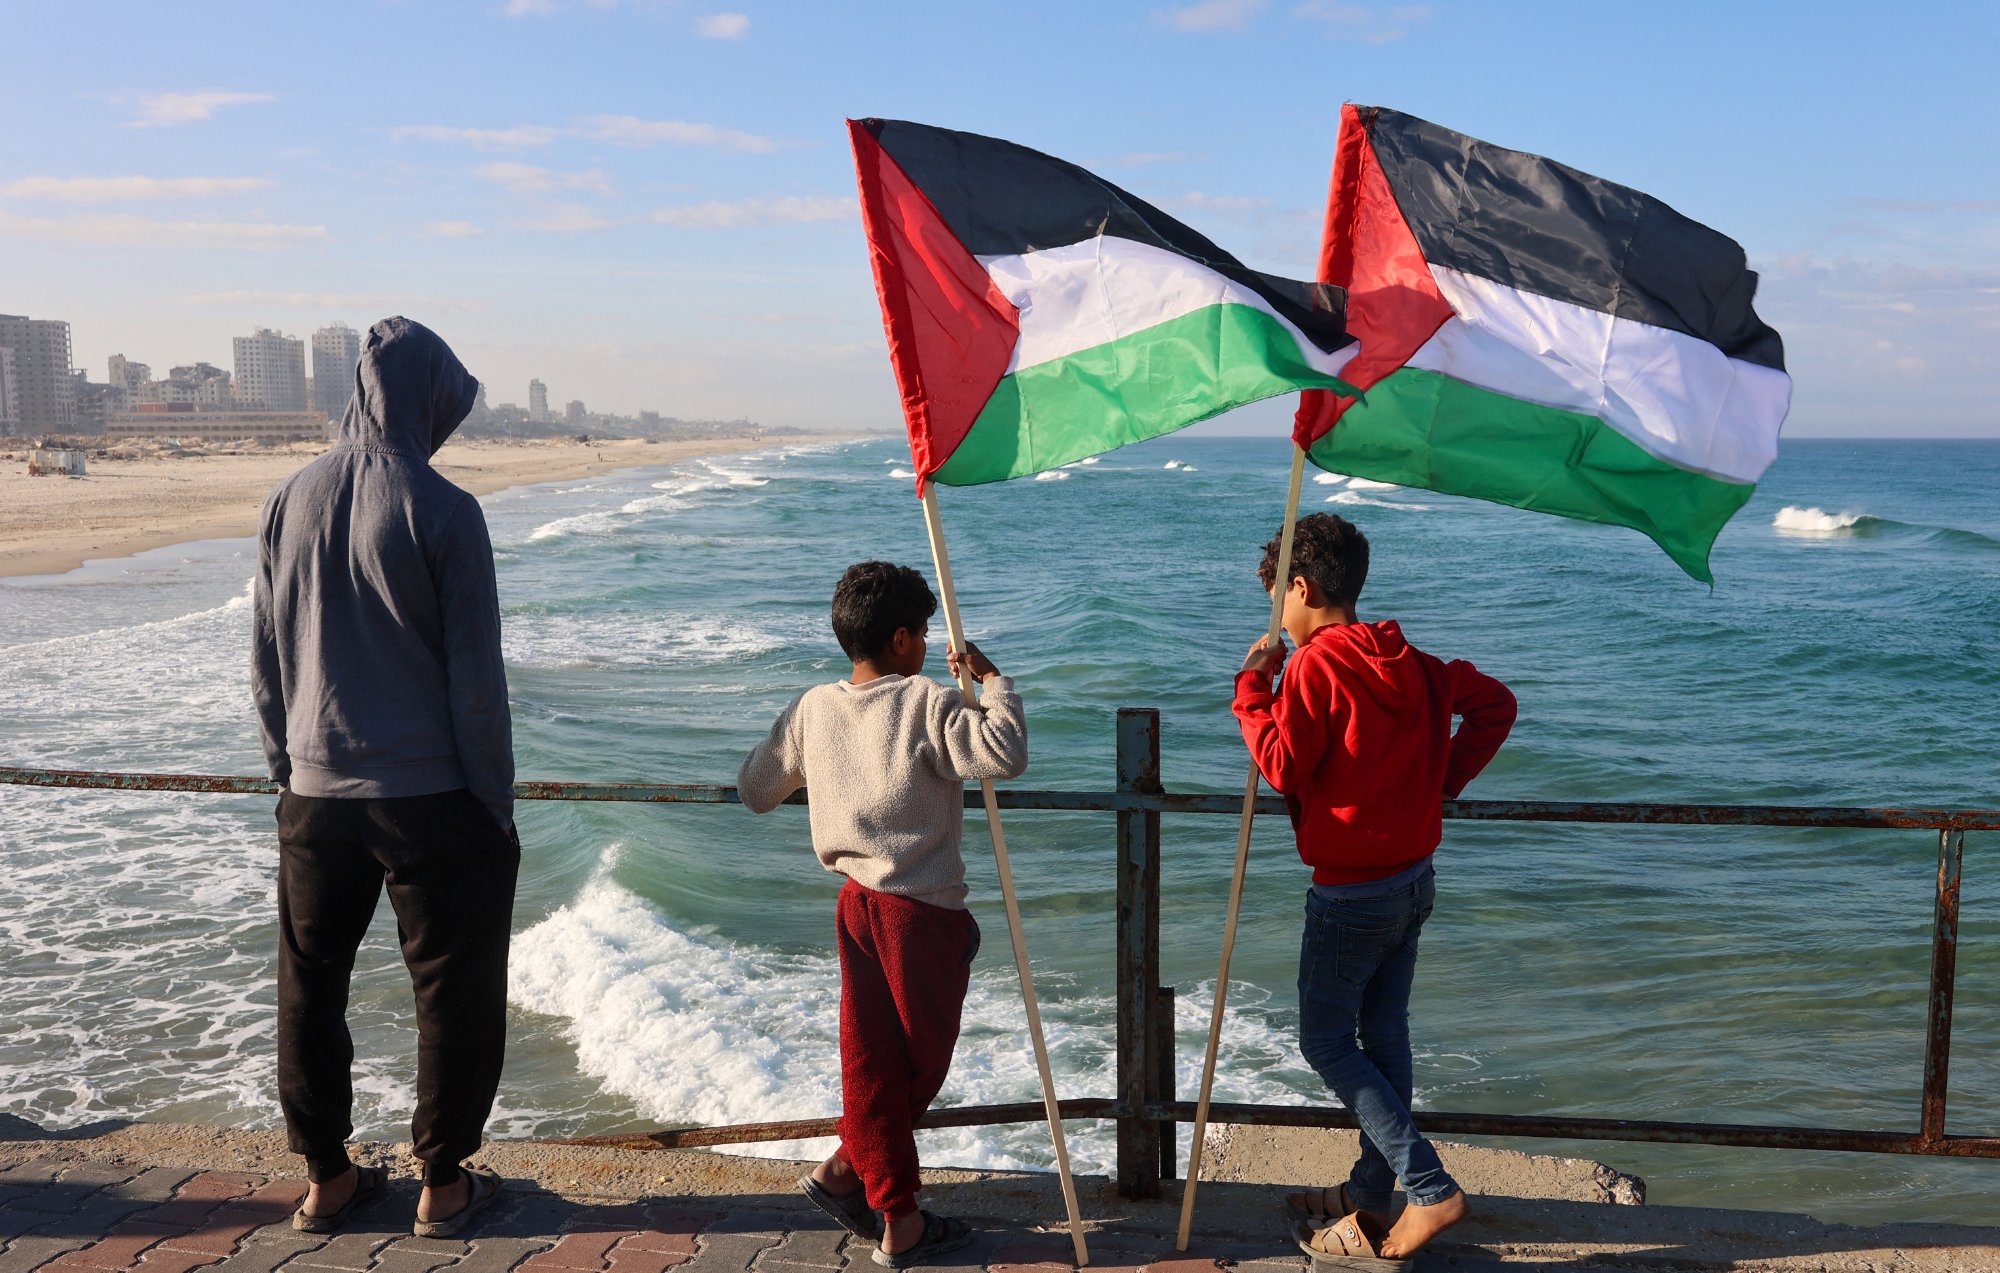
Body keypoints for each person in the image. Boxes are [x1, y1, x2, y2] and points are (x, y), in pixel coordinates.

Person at [251, 316, 517, 1239]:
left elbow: (268, 656)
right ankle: (441, 1185)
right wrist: (494, 803)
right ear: (426, 398)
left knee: (309, 984)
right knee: (452, 987)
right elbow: (476, 683)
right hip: (431, 799)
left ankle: (326, 1178)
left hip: (316, 795)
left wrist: (288, 770)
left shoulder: (290, 498)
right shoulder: (445, 510)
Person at [1233, 513, 1515, 1264]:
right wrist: (1439, 783)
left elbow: (1285, 764)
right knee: (1384, 1033)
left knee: (1325, 1040)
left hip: (1351, 893)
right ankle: (1369, 1188)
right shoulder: (1416, 662)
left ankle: (1429, 1186)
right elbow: (1496, 705)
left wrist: (1251, 688)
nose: (1277, 620)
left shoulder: (1315, 667)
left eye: (1276, 602)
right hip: (1412, 880)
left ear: (1301, 587)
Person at [738, 561, 1027, 1269]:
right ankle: (898, 1218)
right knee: (916, 1066)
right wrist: (995, 683)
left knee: (871, 1059)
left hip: (854, 903)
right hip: (920, 909)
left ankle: (846, 1172)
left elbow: (755, 787)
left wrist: (828, 768)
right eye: (924, 632)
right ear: (902, 638)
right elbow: (1004, 752)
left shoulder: (815, 707)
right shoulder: (927, 701)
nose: (928, 644)